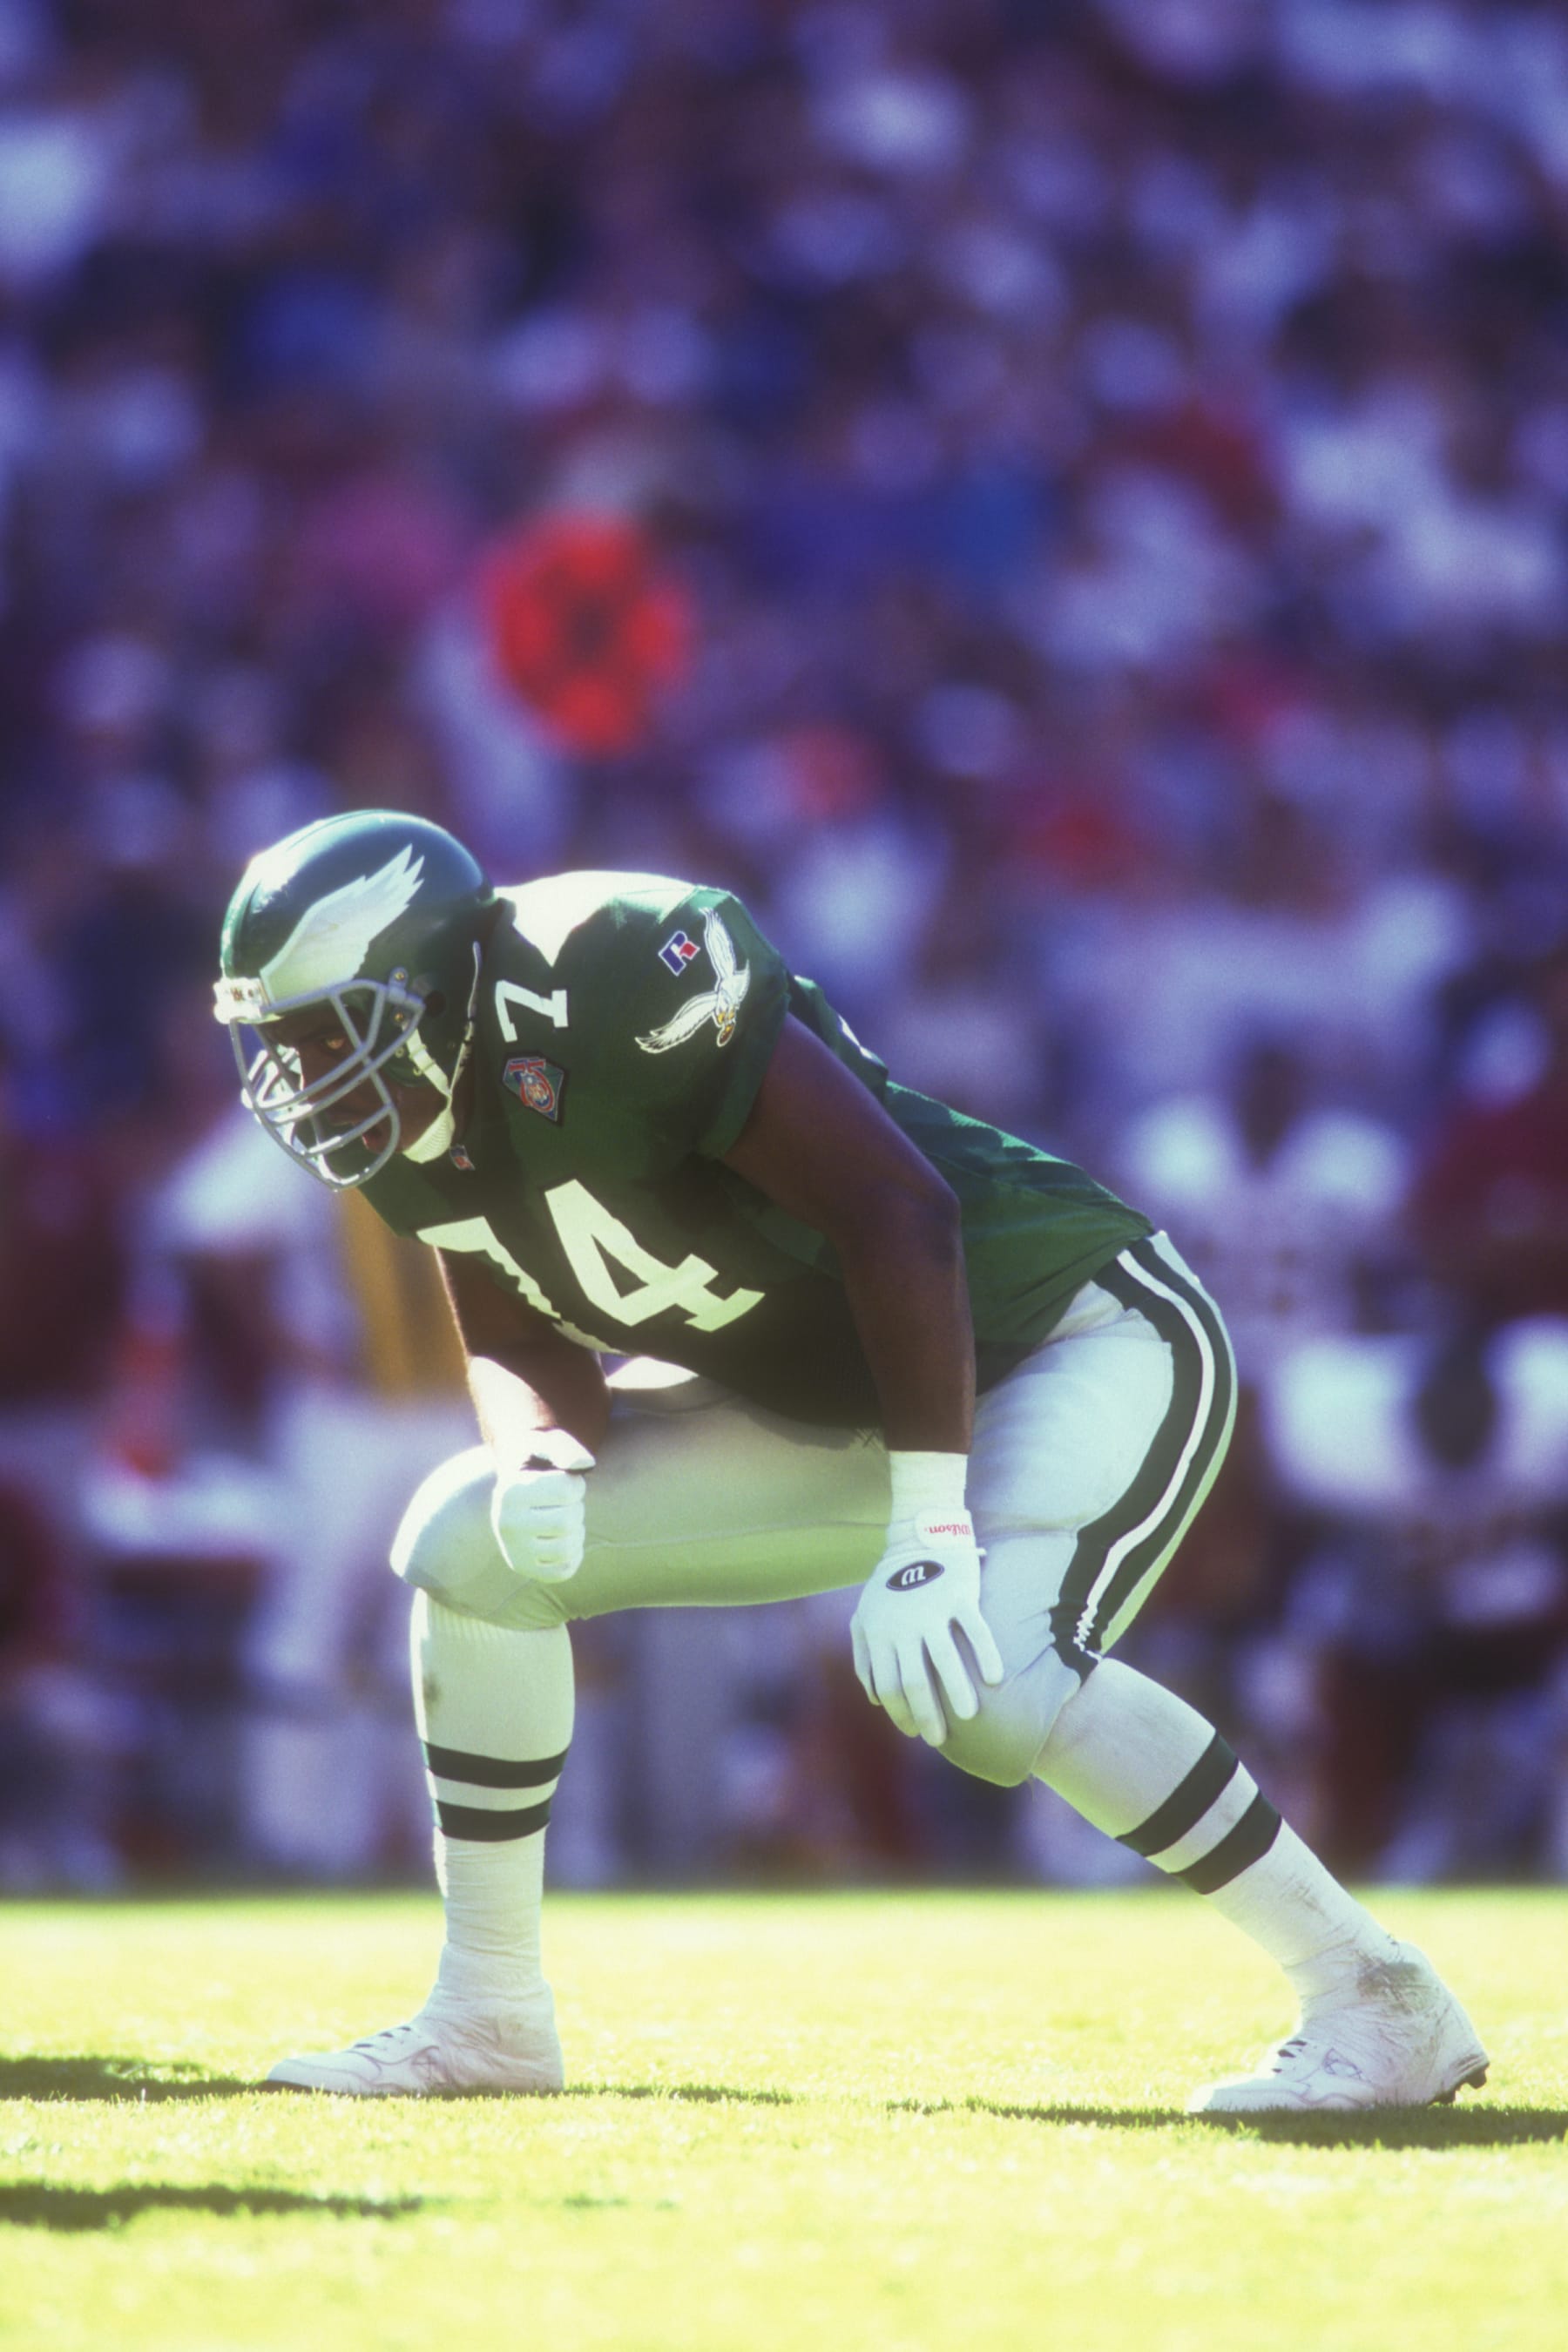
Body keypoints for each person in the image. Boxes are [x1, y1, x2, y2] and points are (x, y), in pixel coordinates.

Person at [213, 809, 1487, 2113]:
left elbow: (896, 1209)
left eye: (326, 1028)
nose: (305, 1071)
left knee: (989, 1679)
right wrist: (539, 1451)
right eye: (282, 1040)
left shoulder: (607, 966)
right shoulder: (415, 1121)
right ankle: (486, 2015)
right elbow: (518, 1337)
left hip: (1063, 1334)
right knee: (467, 1540)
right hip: (829, 1402)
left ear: (429, 980)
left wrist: (930, 1526)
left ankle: (1375, 1992)